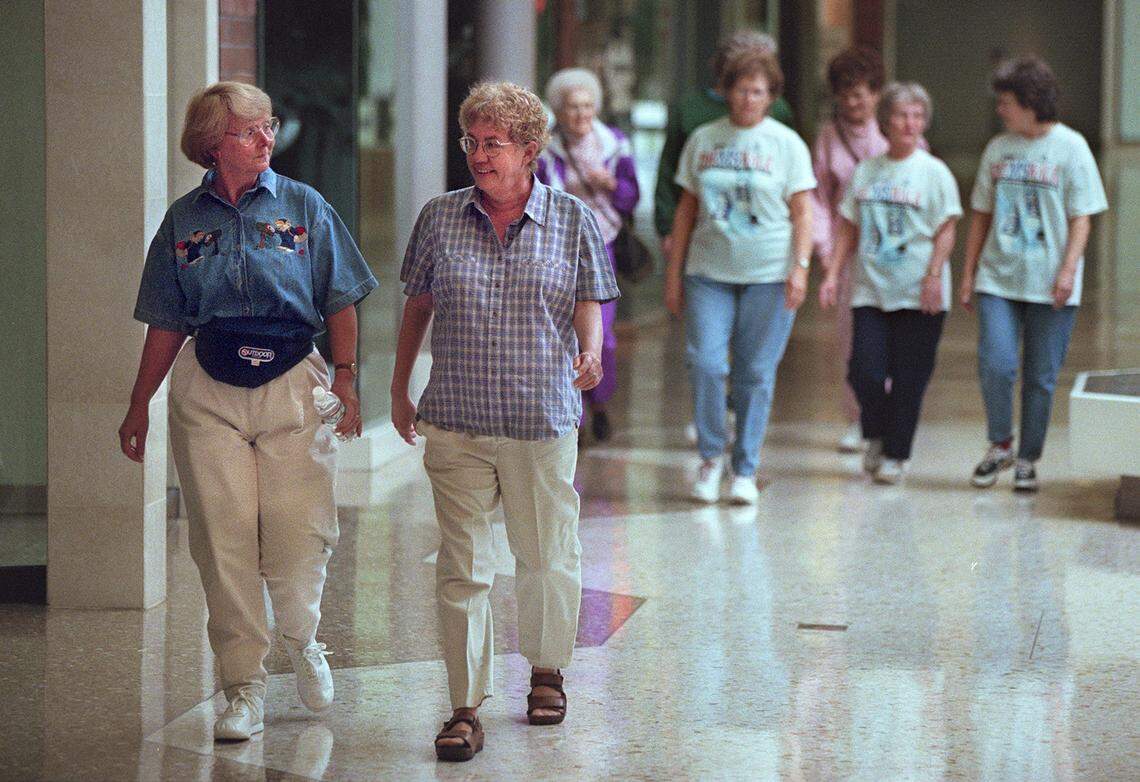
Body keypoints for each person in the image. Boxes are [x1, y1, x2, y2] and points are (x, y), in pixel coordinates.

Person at [118, 82, 377, 742]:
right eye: (249, 131)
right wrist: (137, 405)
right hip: (208, 385)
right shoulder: (183, 221)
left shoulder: (305, 206)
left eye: (269, 127)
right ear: (212, 145)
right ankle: (244, 687)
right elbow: (167, 322)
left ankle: (304, 639)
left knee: (298, 531)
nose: (266, 139)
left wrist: (346, 378)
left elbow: (342, 297)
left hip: (295, 379)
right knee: (223, 539)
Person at [391, 81, 619, 762]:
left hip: (540, 418)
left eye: (494, 143)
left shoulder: (572, 218)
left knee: (546, 555)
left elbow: (588, 299)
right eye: (472, 141)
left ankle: (547, 669)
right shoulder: (439, 218)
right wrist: (400, 389)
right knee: (462, 566)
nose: (479, 154)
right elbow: (417, 307)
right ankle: (465, 706)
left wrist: (589, 351)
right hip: (457, 418)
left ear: (527, 149)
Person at [663, 39, 815, 505]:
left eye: (758, 91)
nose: (748, 99)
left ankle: (745, 467)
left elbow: (803, 213)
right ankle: (711, 457)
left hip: (769, 274)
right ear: (726, 92)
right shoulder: (704, 139)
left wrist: (801, 268)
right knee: (707, 363)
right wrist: (673, 275)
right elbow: (686, 212)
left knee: (754, 372)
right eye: (741, 90)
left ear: (771, 97)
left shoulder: (787, 144)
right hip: (707, 272)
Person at [960, 56, 1107, 492]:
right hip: (998, 279)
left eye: (1006, 102)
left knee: (1040, 376)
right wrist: (968, 273)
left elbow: (1083, 217)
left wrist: (1068, 271)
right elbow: (981, 215)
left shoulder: (1071, 147)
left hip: (1051, 283)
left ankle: (1028, 457)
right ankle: (1001, 444)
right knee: (996, 364)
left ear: (1030, 102)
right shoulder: (998, 149)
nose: (1000, 110)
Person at [819, 82, 962, 483]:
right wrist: (831, 274)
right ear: (885, 122)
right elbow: (848, 226)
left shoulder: (935, 173)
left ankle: (897, 454)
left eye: (917, 116)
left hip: (921, 293)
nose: (909, 123)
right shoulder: (867, 171)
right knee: (863, 371)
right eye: (901, 115)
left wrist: (934, 273)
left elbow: (947, 228)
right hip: (871, 289)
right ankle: (876, 433)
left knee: (909, 379)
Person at [537, 67, 640, 443]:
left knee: (601, 336)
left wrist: (609, 183)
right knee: (562, 335)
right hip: (558, 248)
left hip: (604, 245)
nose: (581, 114)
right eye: (572, 107)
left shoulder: (615, 144)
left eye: (587, 106)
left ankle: (599, 403)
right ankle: (573, 417)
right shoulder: (548, 149)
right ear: (559, 111)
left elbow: (632, 196)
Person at [811, 47, 889, 453]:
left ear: (877, 93)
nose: (854, 102)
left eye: (862, 93)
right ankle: (859, 419)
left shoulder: (895, 129)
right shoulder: (828, 136)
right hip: (847, 254)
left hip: (893, 252)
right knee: (853, 342)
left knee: (893, 338)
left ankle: (890, 415)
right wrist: (826, 250)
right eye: (846, 94)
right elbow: (817, 195)